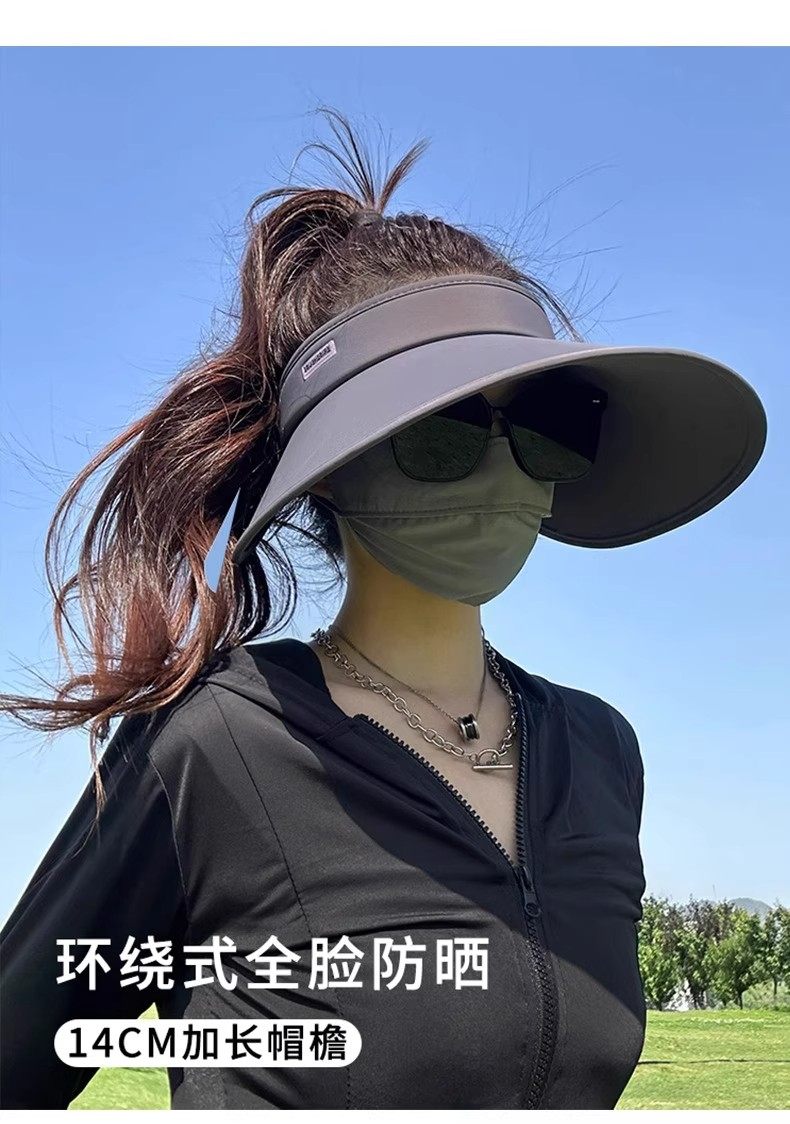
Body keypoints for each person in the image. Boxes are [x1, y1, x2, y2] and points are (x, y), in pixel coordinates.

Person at [0, 108, 766, 1110]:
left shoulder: (600, 752)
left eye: (545, 422)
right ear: (329, 465)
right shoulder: (218, 745)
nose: (501, 467)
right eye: (443, 428)